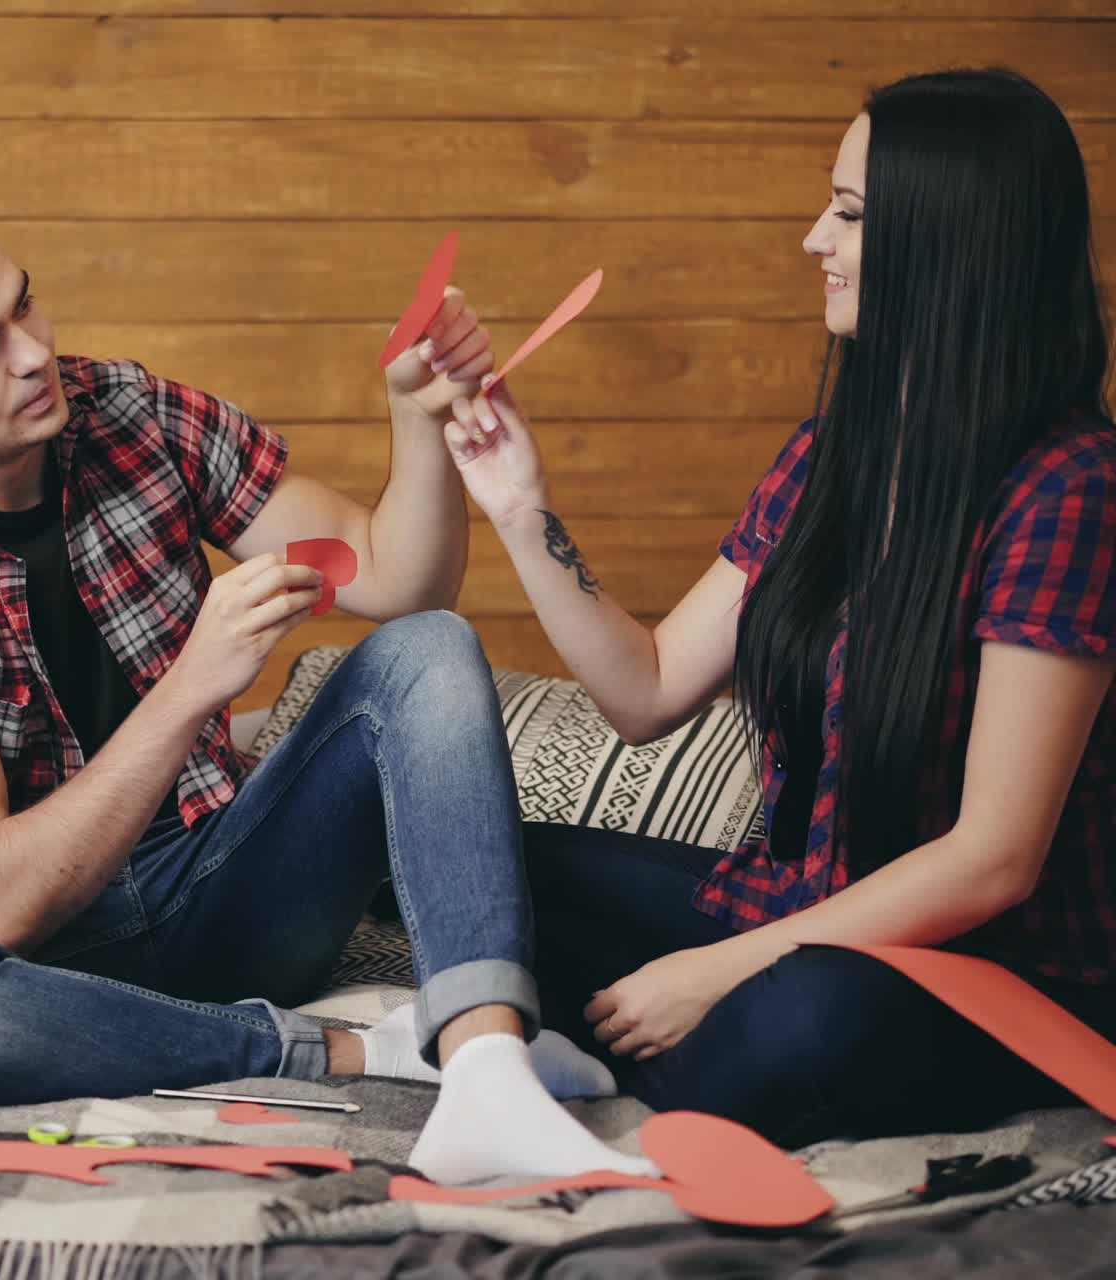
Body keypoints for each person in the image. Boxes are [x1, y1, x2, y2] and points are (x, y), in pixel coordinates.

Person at [0, 191, 647, 1186]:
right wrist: (188, 687)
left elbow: (399, 578)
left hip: (219, 888)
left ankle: (486, 1065)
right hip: (35, 970)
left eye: (25, 306)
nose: (33, 352)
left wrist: (414, 415)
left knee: (428, 646)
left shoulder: (130, 413)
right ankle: (371, 1052)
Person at [442, 68, 1116, 1147]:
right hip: (797, 908)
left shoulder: (1069, 489)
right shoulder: (828, 458)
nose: (812, 238)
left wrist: (708, 970)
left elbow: (993, 856)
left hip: (990, 974)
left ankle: (628, 1050)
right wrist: (521, 510)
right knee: (469, 853)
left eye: (847, 214)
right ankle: (600, 1044)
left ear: (949, 244)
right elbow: (645, 691)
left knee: (793, 1024)